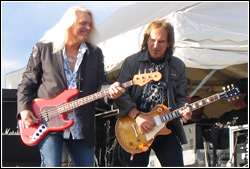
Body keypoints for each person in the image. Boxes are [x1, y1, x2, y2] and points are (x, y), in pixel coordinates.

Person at [17, 6, 124, 167]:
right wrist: (24, 110)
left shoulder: (95, 53)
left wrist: (110, 92)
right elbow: (27, 83)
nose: (88, 28)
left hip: (81, 126)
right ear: (69, 24)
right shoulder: (44, 48)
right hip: (48, 122)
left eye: (90, 24)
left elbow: (100, 84)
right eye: (83, 23)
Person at [115, 18, 192, 167]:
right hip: (136, 127)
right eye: (152, 40)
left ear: (169, 43)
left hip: (166, 126)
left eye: (161, 41)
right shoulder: (132, 62)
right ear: (147, 40)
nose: (156, 45)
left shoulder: (177, 65)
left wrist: (185, 109)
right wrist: (137, 116)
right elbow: (121, 94)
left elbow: (181, 96)